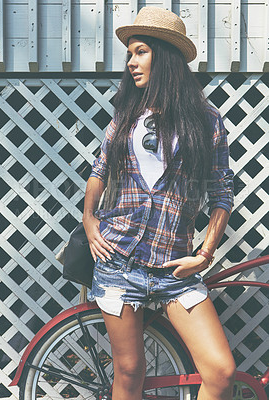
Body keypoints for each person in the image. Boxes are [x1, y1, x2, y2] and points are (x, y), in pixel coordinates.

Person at [83, 6, 236, 400]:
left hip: (175, 269)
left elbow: (221, 192)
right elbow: (100, 170)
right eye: (130, 54)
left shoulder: (206, 118)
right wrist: (89, 219)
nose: (131, 62)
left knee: (220, 372)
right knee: (130, 374)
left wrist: (205, 253)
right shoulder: (128, 112)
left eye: (140, 51)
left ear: (165, 55)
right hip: (119, 261)